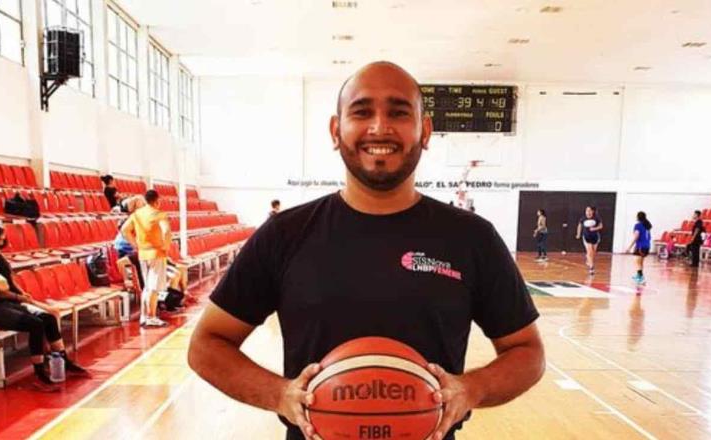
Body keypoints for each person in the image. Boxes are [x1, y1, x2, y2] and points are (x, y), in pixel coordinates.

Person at [188, 61, 545, 440]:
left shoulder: (472, 238)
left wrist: (471, 389)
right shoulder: (284, 235)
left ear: (424, 131)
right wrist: (279, 394)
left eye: (398, 112)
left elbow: (527, 352)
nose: (379, 126)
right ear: (335, 130)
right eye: (361, 112)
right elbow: (207, 345)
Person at [0, 226, 88, 388]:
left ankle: (63, 359)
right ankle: (39, 373)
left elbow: (7, 283)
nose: (4, 239)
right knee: (36, 324)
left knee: (47, 317)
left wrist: (21, 294)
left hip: (9, 302)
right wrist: (18, 296)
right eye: (1, 236)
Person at [121, 190, 171, 328]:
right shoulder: (159, 214)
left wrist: (135, 245)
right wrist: (165, 246)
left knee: (147, 287)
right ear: (157, 201)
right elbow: (166, 231)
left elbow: (124, 230)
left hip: (143, 253)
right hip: (157, 253)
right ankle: (151, 316)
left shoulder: (137, 214)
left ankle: (144, 316)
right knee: (153, 288)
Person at [576, 206, 603, 275]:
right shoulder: (583, 218)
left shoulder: (596, 218)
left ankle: (588, 259)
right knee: (590, 251)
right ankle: (591, 268)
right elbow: (579, 225)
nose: (588, 212)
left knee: (593, 252)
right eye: (586, 210)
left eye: (589, 210)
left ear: (592, 211)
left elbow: (601, 226)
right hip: (586, 237)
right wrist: (578, 234)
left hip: (595, 237)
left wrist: (594, 229)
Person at [627, 212, 652, 284]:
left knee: (637, 262)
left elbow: (636, 237)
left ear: (638, 217)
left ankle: (641, 278)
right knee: (640, 262)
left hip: (641, 246)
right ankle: (639, 276)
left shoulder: (638, 225)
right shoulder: (647, 226)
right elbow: (648, 237)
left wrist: (629, 247)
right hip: (647, 246)